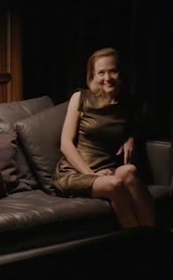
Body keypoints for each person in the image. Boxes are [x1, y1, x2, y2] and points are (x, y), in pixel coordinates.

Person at [53, 47, 156, 229]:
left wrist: (131, 138)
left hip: (107, 169)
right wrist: (90, 173)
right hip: (76, 171)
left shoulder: (129, 104)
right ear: (92, 75)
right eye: (101, 72)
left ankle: (152, 235)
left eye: (112, 71)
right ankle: (137, 240)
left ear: (120, 73)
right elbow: (65, 144)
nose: (107, 78)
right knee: (115, 184)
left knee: (130, 171)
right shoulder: (81, 98)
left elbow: (138, 126)